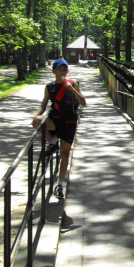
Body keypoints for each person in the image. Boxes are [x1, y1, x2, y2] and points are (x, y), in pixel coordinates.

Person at [32, 59, 86, 199]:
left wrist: (72, 89)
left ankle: (60, 184)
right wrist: (36, 115)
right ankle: (52, 141)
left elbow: (83, 103)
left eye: (65, 68)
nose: (63, 71)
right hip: (54, 120)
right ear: (54, 71)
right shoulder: (49, 87)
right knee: (36, 122)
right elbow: (44, 104)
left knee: (65, 154)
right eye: (60, 68)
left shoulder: (73, 83)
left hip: (69, 122)